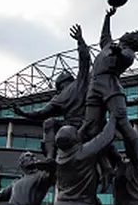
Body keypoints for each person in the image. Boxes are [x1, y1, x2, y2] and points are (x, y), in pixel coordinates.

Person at [78, 6, 138, 178]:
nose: (126, 32)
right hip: (94, 86)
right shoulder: (109, 45)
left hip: (111, 85)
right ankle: (104, 165)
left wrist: (118, 52)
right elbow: (104, 36)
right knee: (90, 126)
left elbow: (125, 58)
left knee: (123, 123)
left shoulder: (128, 52)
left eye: (130, 32)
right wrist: (107, 17)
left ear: (133, 41)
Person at [12, 25, 91, 160]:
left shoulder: (61, 96)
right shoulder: (79, 83)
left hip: (71, 127)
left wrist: (22, 113)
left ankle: (50, 157)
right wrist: (80, 41)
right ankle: (50, 157)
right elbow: (85, 60)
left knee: (49, 122)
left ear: (58, 86)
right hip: (83, 125)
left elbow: (40, 113)